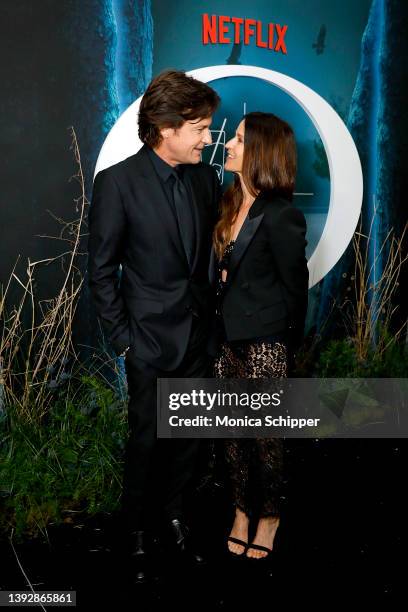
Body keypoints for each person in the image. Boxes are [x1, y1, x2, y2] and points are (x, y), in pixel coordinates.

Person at [88, 69, 221, 582]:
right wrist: (124, 340)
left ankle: (174, 518)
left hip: (198, 338)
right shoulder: (117, 183)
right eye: (200, 129)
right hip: (147, 341)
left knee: (188, 439)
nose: (206, 139)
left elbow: (206, 260)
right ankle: (136, 530)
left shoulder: (206, 179)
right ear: (166, 127)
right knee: (147, 440)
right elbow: (100, 270)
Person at [211, 112, 309, 560]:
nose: (228, 144)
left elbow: (294, 291)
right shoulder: (228, 202)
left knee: (266, 436)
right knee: (231, 434)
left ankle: (269, 516)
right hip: (225, 341)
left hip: (266, 343)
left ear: (262, 152)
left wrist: (283, 351)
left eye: (239, 139)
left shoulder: (283, 215)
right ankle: (240, 512)